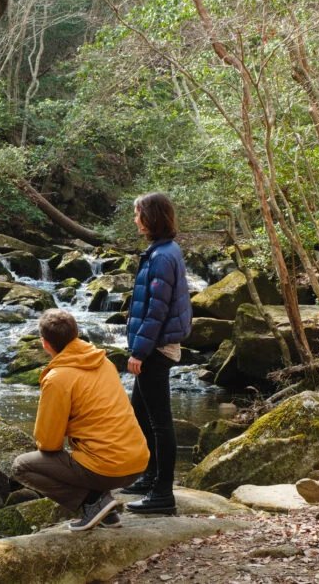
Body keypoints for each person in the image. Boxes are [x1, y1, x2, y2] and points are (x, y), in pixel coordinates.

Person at [12, 308, 150, 531]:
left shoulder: (58, 378)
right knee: (87, 453)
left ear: (45, 344)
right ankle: (107, 512)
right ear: (76, 335)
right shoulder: (104, 362)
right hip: (137, 462)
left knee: (22, 466)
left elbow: (48, 442)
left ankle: (93, 503)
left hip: (107, 468)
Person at [121, 192, 193, 515]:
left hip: (155, 349)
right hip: (154, 346)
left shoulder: (163, 256)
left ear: (151, 217)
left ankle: (163, 493)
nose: (135, 219)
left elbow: (156, 310)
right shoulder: (161, 251)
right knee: (140, 413)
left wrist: (139, 351)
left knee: (160, 421)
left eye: (137, 214)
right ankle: (150, 476)